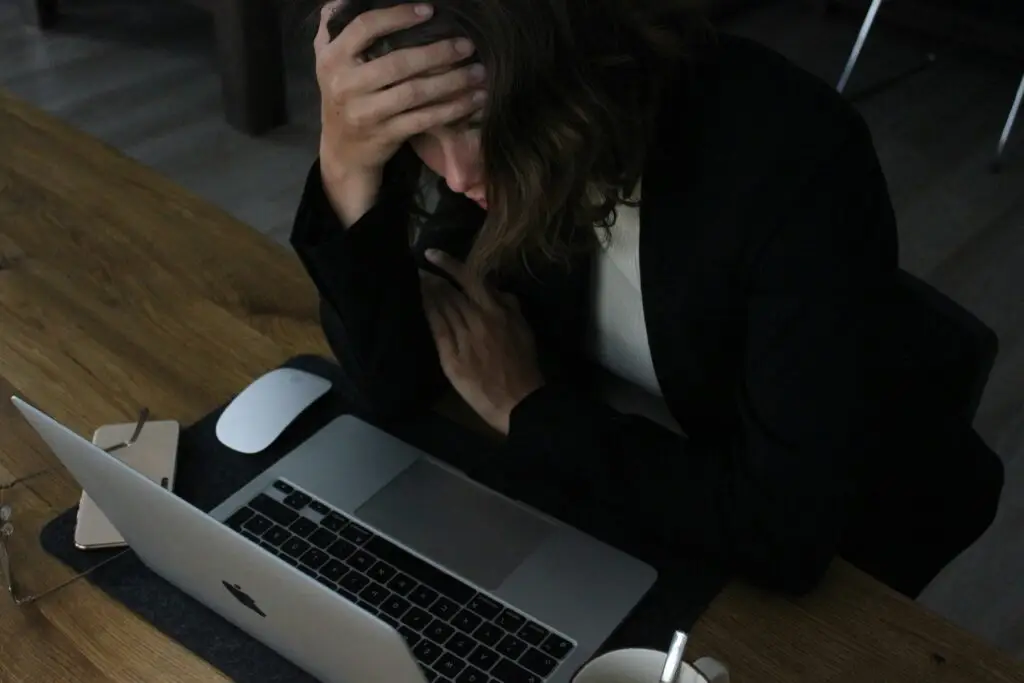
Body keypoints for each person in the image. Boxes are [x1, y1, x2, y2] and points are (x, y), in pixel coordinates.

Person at [290, 0, 1004, 599]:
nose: (456, 175)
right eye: (418, 137)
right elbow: (394, 379)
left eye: (477, 126)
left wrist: (529, 408)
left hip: (821, 551)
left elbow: (784, 533)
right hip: (627, 494)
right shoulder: (496, 129)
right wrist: (348, 162)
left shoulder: (792, 158)